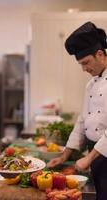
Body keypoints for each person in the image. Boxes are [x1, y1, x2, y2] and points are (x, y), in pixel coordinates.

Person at [47, 21, 107, 200]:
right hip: (94, 153)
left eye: (86, 62)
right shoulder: (91, 84)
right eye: (80, 64)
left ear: (100, 54)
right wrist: (65, 154)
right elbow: (82, 120)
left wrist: (89, 158)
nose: (84, 69)